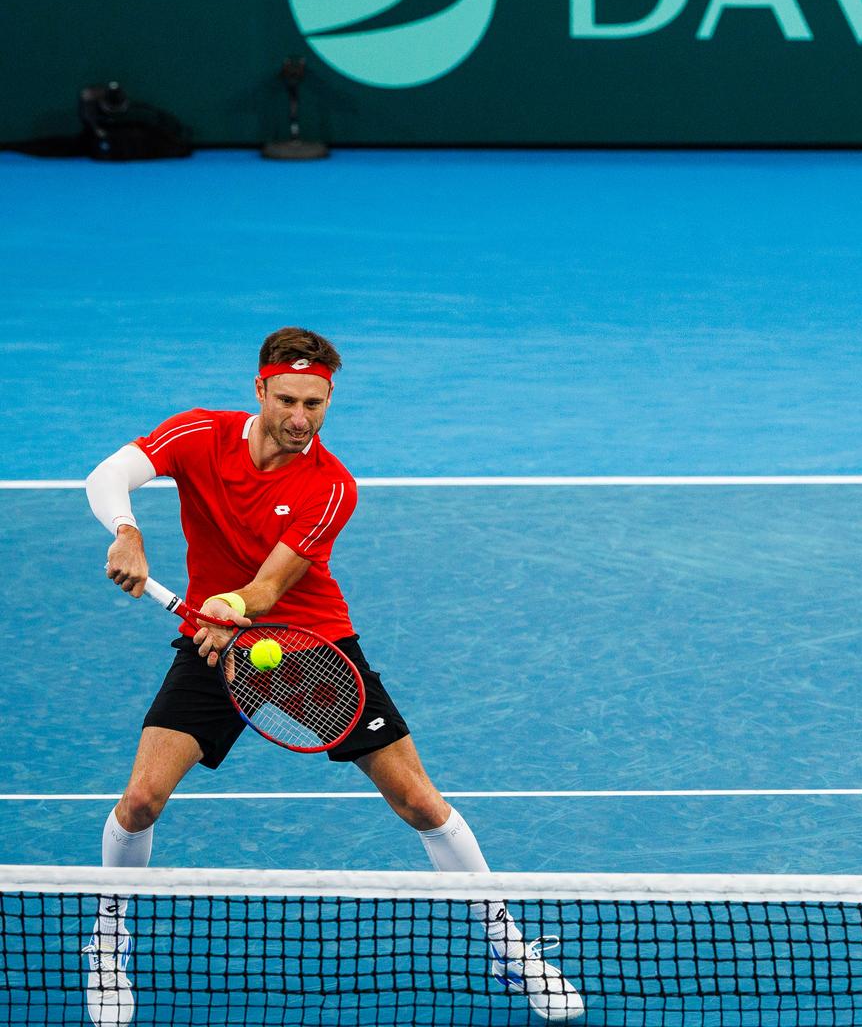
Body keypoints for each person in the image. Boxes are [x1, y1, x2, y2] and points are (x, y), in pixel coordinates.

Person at [82, 329, 584, 1024]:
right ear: (259, 390)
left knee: (418, 802)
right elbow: (108, 475)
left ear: (329, 400)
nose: (300, 418)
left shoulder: (331, 486)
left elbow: (269, 587)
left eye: (314, 404)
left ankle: (509, 943)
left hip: (309, 642)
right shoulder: (198, 434)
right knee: (139, 802)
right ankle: (108, 938)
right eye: (287, 400)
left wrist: (229, 606)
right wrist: (127, 530)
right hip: (211, 647)